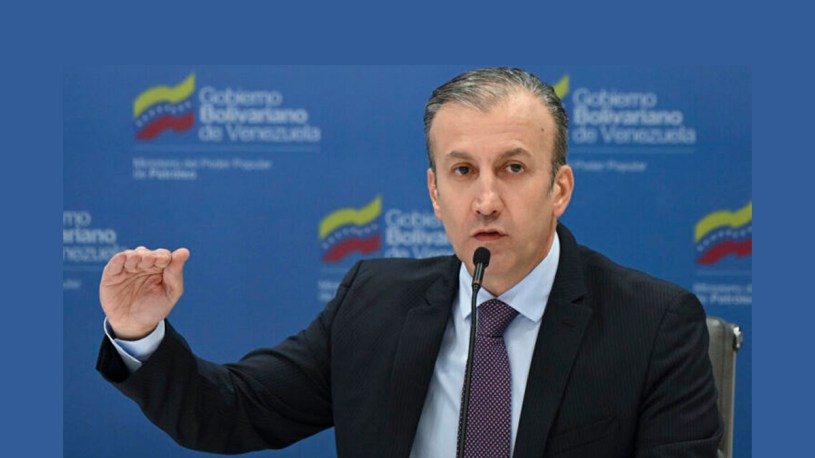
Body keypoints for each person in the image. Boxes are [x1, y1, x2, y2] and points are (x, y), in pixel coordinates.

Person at [97, 67, 722, 457]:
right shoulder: (375, 301)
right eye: (462, 171)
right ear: (434, 193)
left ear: (559, 188)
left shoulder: (653, 325)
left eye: (512, 168)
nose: (485, 199)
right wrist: (139, 332)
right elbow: (232, 413)